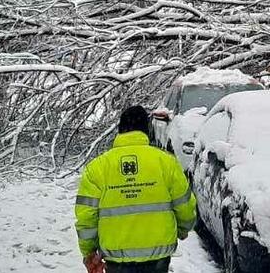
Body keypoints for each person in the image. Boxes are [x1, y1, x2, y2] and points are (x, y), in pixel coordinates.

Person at [75, 106, 197, 273]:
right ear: (147, 130)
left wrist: (89, 252)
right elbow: (185, 206)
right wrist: (182, 229)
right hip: (157, 257)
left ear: (120, 130)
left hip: (116, 260)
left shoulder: (97, 168)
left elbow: (86, 217)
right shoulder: (166, 163)